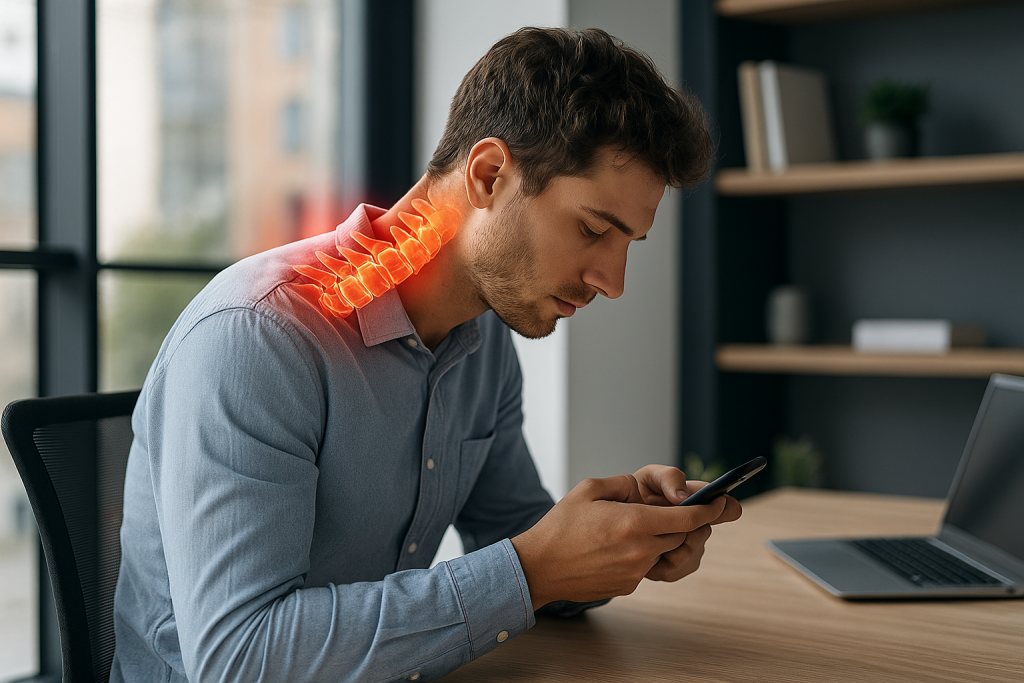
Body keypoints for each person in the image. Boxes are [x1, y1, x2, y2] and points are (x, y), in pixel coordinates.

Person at [111, 26, 739, 683]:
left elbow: (514, 539)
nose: (613, 281)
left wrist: (618, 540)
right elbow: (241, 658)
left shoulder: (484, 342)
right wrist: (533, 569)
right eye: (592, 229)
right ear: (490, 174)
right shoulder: (259, 336)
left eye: (628, 242)